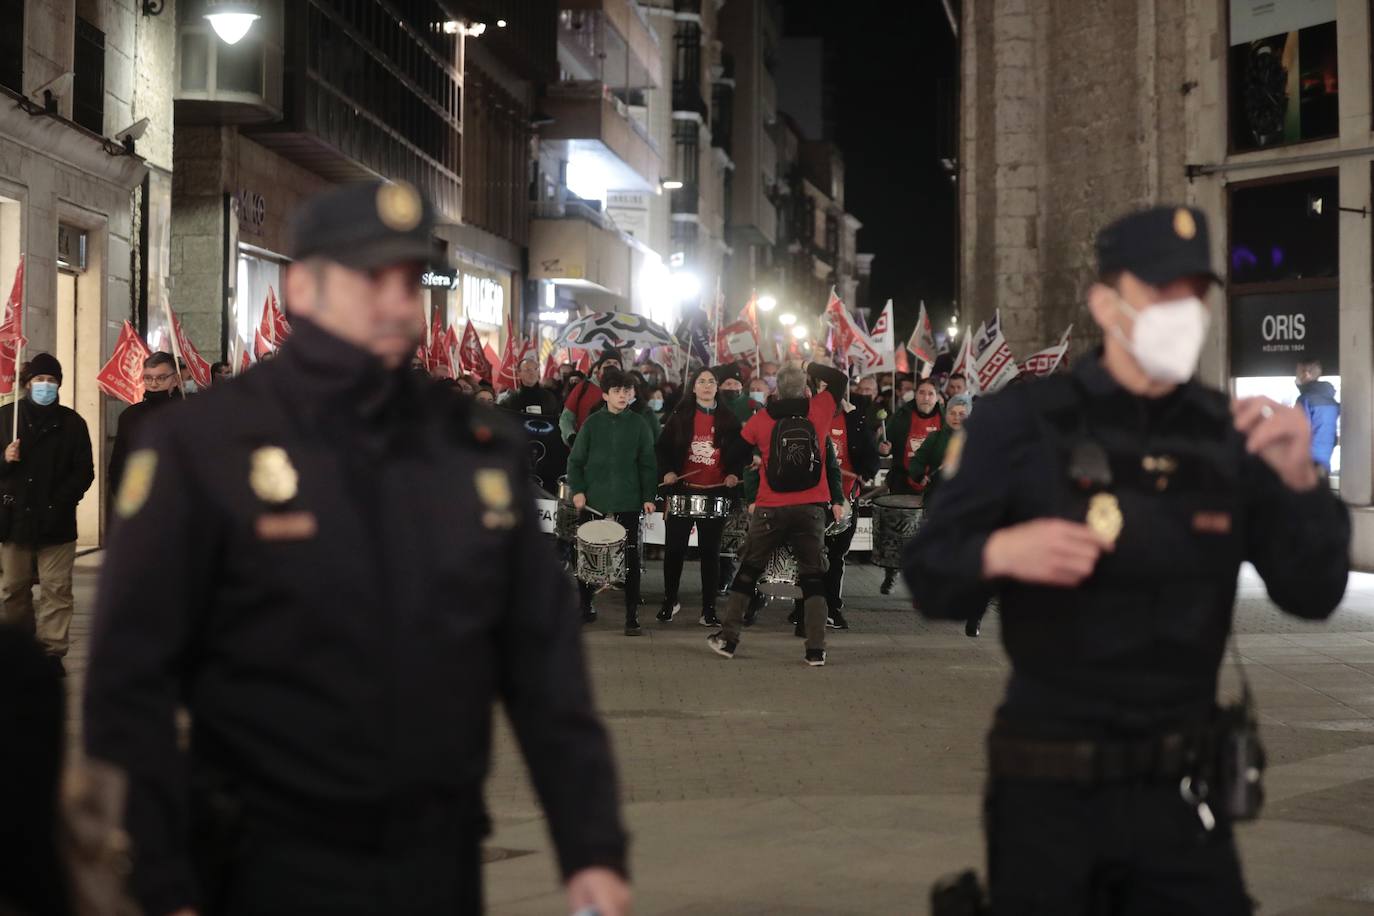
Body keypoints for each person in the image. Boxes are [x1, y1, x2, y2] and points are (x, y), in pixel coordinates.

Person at [83, 181, 630, 916]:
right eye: (370, 278)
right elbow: (128, 682)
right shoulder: (204, 445)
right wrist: (159, 875)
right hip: (262, 864)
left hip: (435, 862)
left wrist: (591, 850)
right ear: (303, 287)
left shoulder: (473, 449)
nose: (397, 302)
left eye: (409, 280)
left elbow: (545, 671)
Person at [904, 205, 1350, 914]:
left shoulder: (1225, 436)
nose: (1183, 311)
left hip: (1181, 803)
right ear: (1106, 302)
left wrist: (1302, 484)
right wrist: (1000, 549)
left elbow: (1314, 591)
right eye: (1160, 292)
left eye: (1194, 295)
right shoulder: (1023, 425)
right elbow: (930, 577)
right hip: (1047, 797)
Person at [707, 363, 848, 667]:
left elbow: (732, 453)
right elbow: (840, 379)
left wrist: (756, 458)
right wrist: (812, 365)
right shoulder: (820, 408)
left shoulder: (762, 418)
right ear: (806, 389)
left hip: (771, 507)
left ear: (776, 390)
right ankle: (815, 649)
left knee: (748, 570)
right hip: (812, 508)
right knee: (813, 576)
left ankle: (728, 640)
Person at [0, 355, 94, 673]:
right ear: (27, 383)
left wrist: (59, 503)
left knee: (57, 588)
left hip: (57, 522)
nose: (45, 386)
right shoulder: (6, 417)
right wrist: (4, 458)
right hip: (14, 521)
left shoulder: (72, 423)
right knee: (13, 588)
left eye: (51, 381)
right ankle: (19, 647)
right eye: (39, 380)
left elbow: (84, 472)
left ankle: (52, 652)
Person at [566, 367, 658, 635]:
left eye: (627, 391)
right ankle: (585, 606)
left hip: (628, 502)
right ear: (605, 394)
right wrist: (578, 490)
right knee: (586, 556)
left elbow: (647, 464)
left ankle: (632, 615)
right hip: (593, 501)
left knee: (630, 559)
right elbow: (576, 461)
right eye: (617, 391)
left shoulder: (639, 424)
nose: (623, 395)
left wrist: (648, 497)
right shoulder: (592, 424)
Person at [656, 367, 747, 627]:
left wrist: (732, 474)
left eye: (711, 382)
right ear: (693, 387)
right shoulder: (679, 416)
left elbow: (739, 455)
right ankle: (669, 601)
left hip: (715, 492)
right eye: (701, 381)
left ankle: (708, 610)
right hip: (683, 491)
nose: (706, 385)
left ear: (717, 387)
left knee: (710, 553)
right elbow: (661, 450)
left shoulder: (729, 419)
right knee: (674, 550)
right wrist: (669, 472)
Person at [905, 393, 979, 634]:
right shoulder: (935, 438)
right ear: (945, 415)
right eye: (952, 413)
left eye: (962, 414)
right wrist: (919, 474)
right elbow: (917, 461)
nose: (957, 418)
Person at [879, 377, 943, 593]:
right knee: (897, 532)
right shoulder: (902, 416)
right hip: (903, 480)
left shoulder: (945, 420)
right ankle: (891, 572)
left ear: (937, 397)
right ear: (915, 395)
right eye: (922, 392)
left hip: (931, 484)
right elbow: (885, 442)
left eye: (930, 393)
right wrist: (884, 448)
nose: (925, 397)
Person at [108, 351, 182, 500]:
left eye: (161, 378)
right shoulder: (130, 416)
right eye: (148, 378)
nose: (154, 384)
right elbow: (118, 464)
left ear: (175, 380)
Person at [560, 352, 622, 445]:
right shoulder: (584, 387)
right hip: (586, 448)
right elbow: (566, 418)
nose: (612, 366)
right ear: (600, 369)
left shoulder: (628, 390)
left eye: (616, 363)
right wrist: (571, 437)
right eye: (608, 363)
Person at [1294, 359, 1339, 472]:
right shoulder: (1332, 402)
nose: (1296, 377)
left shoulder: (1305, 400)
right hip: (1324, 462)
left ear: (1306, 374)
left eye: (1297, 372)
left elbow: (1298, 434)